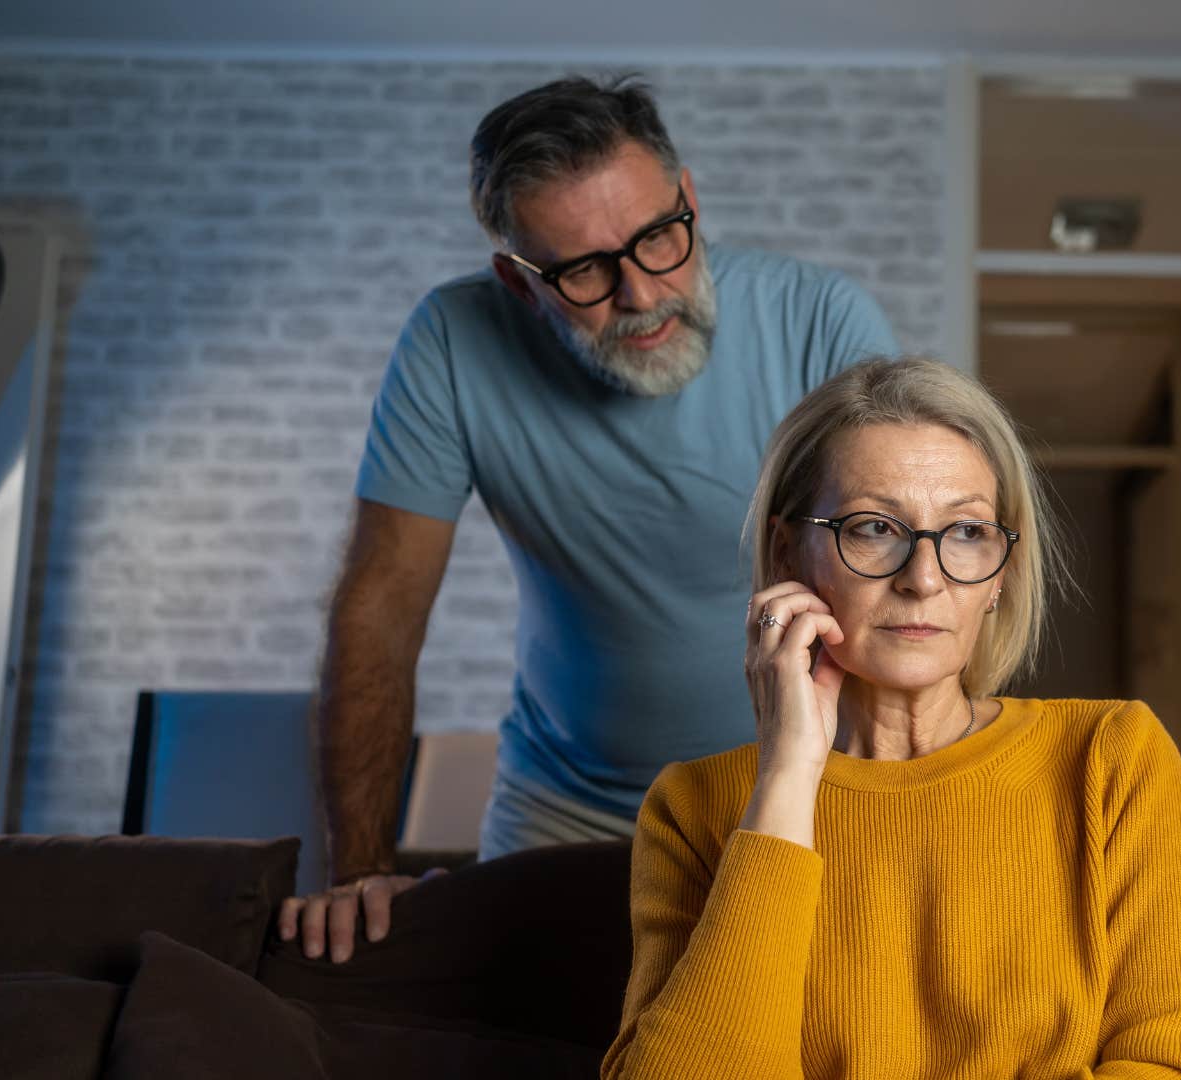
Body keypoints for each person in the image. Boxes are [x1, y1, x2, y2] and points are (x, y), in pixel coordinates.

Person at [277, 74, 899, 963]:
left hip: (806, 784)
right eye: (582, 271)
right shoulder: (451, 341)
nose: (641, 294)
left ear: (690, 201)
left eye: (658, 239)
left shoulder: (821, 320)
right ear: (519, 282)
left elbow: (903, 583)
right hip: (563, 804)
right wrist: (359, 871)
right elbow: (382, 608)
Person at [600, 358, 1181, 1079]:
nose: (924, 578)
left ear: (1000, 574)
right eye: (875, 527)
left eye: (966, 531)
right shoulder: (691, 807)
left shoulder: (1109, 756)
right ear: (789, 553)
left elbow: (1178, 1066)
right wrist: (787, 776)